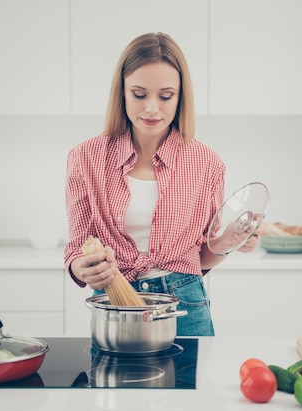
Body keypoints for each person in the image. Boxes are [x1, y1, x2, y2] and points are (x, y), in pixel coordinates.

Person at [64, 32, 259, 336]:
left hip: (185, 304)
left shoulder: (207, 163)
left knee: (191, 384)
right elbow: (78, 247)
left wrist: (229, 240)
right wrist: (82, 268)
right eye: (139, 95)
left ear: (181, 96)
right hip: (114, 304)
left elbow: (200, 258)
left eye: (165, 96)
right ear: (122, 94)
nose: (152, 109)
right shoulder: (85, 157)